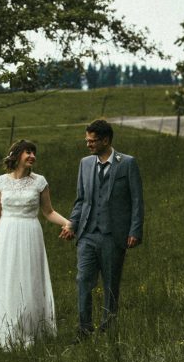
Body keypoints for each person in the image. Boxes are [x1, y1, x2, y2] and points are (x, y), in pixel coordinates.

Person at [0, 139, 71, 350]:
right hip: (6, 235)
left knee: (29, 280)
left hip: (30, 234)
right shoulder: (1, 182)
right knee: (7, 280)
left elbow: (48, 212)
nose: (32, 156)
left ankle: (29, 330)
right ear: (17, 155)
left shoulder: (39, 182)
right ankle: (6, 330)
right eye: (28, 152)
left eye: (34, 152)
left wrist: (68, 222)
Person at [60, 119, 144, 338]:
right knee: (83, 280)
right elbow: (81, 200)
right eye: (87, 140)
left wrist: (135, 230)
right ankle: (84, 329)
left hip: (113, 235)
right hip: (87, 234)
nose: (88, 144)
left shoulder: (127, 163)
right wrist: (72, 224)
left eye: (92, 141)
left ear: (106, 140)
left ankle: (108, 329)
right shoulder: (85, 164)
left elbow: (137, 200)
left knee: (110, 283)